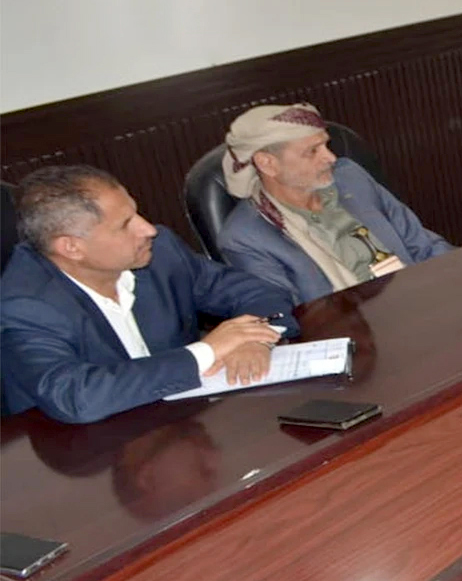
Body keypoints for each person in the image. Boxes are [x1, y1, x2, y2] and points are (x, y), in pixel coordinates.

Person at [2, 165, 297, 424]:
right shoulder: (25, 304)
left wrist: (255, 339)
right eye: (125, 224)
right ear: (71, 247)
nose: (148, 229)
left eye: (136, 212)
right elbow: (76, 397)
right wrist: (207, 351)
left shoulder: (160, 252)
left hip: (180, 424)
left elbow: (255, 292)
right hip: (85, 454)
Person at [217, 103, 453, 304]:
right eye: (312, 151)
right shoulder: (246, 238)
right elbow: (289, 317)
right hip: (354, 329)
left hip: (420, 296)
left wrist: (459, 281)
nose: (330, 157)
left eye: (326, 145)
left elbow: (424, 245)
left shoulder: (350, 177)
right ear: (267, 164)